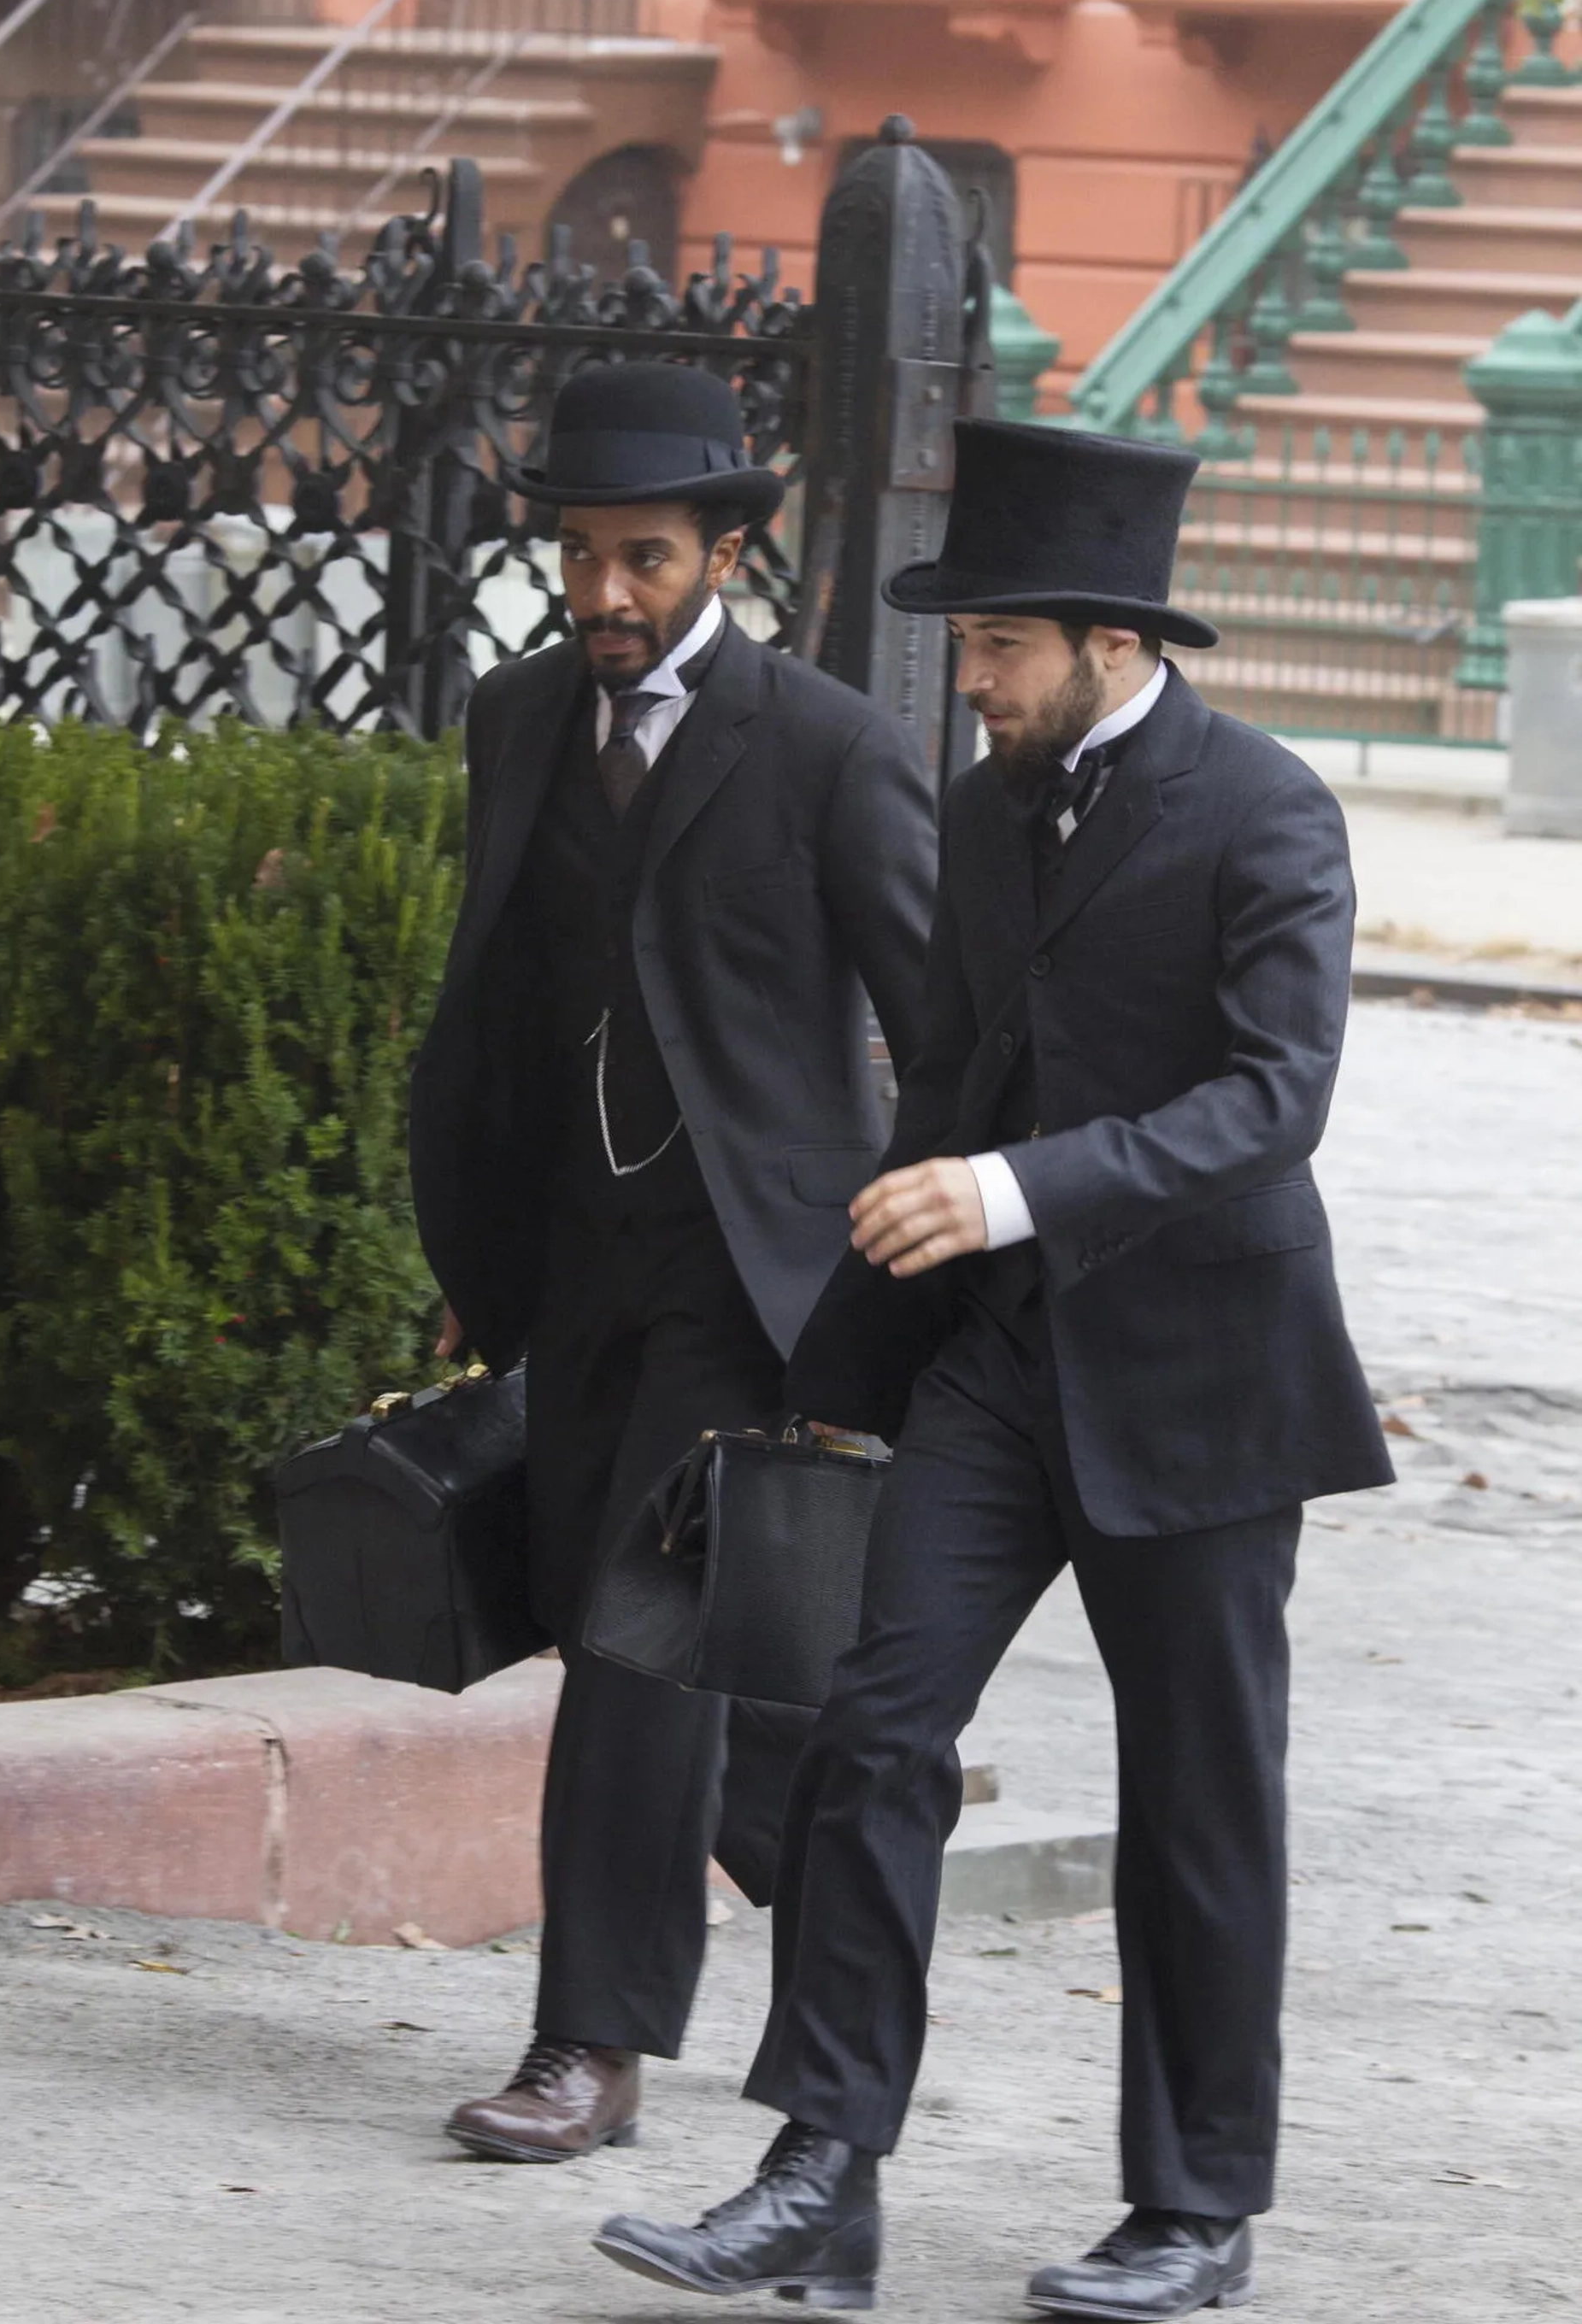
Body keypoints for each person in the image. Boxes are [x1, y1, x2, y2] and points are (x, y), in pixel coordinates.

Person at [592, 419, 1394, 2315]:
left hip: (1205, 1378)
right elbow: (943, 1089)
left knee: (1203, 1796)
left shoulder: (1269, 811)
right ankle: (821, 2179)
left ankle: (1193, 2210)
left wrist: (1014, 1190)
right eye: (966, 650)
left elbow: (1275, 1105)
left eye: (997, 649)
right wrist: (840, 1377)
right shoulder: (978, 809)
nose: (968, 679)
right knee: (870, 1737)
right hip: (995, 1374)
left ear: (1113, 645)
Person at [408, 361, 936, 2166]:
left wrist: (921, 1260)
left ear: (724, 548)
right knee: (637, 1629)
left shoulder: (828, 747)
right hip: (572, 1260)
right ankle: (852, 1867)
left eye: (643, 558)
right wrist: (474, 1252)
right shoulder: (518, 714)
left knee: (636, 1652)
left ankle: (591, 2046)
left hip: (750, 1278)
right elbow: (498, 998)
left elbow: (942, 1026)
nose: (608, 596)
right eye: (580, 559)